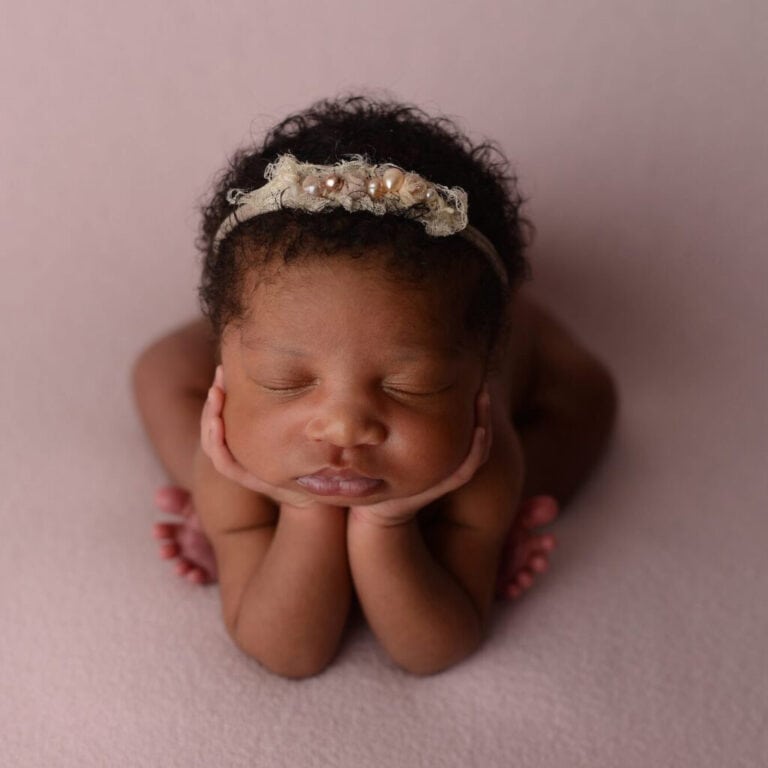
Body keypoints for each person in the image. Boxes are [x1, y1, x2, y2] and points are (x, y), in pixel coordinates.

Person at [133, 94, 618, 678]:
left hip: (514, 348)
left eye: (413, 386)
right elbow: (289, 652)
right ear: (225, 359)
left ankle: (483, 526)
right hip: (296, 320)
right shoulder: (234, 445)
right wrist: (298, 508)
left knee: (587, 398)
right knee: (160, 373)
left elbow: (435, 648)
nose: (343, 426)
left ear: (476, 383)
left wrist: (388, 524)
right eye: (284, 383)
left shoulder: (482, 459)